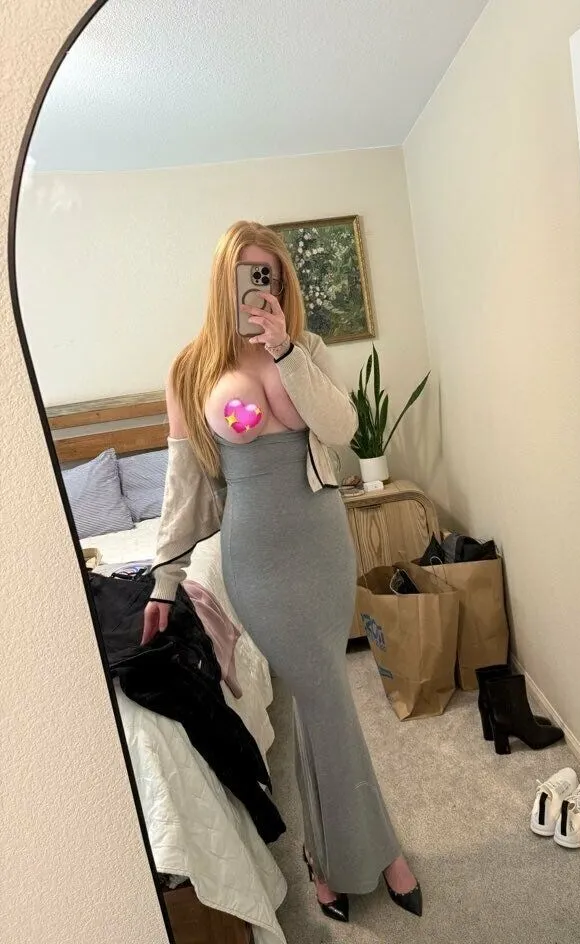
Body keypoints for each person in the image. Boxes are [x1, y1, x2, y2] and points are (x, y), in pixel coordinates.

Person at [141, 220, 422, 923]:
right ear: (224, 282)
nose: (260, 286)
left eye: (270, 273)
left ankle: (327, 857)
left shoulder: (307, 347)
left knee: (320, 701)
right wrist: (165, 582)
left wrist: (286, 350)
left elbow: (340, 428)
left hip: (321, 545)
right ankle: (378, 850)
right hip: (258, 558)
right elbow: (183, 489)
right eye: (248, 273)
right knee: (326, 697)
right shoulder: (189, 371)